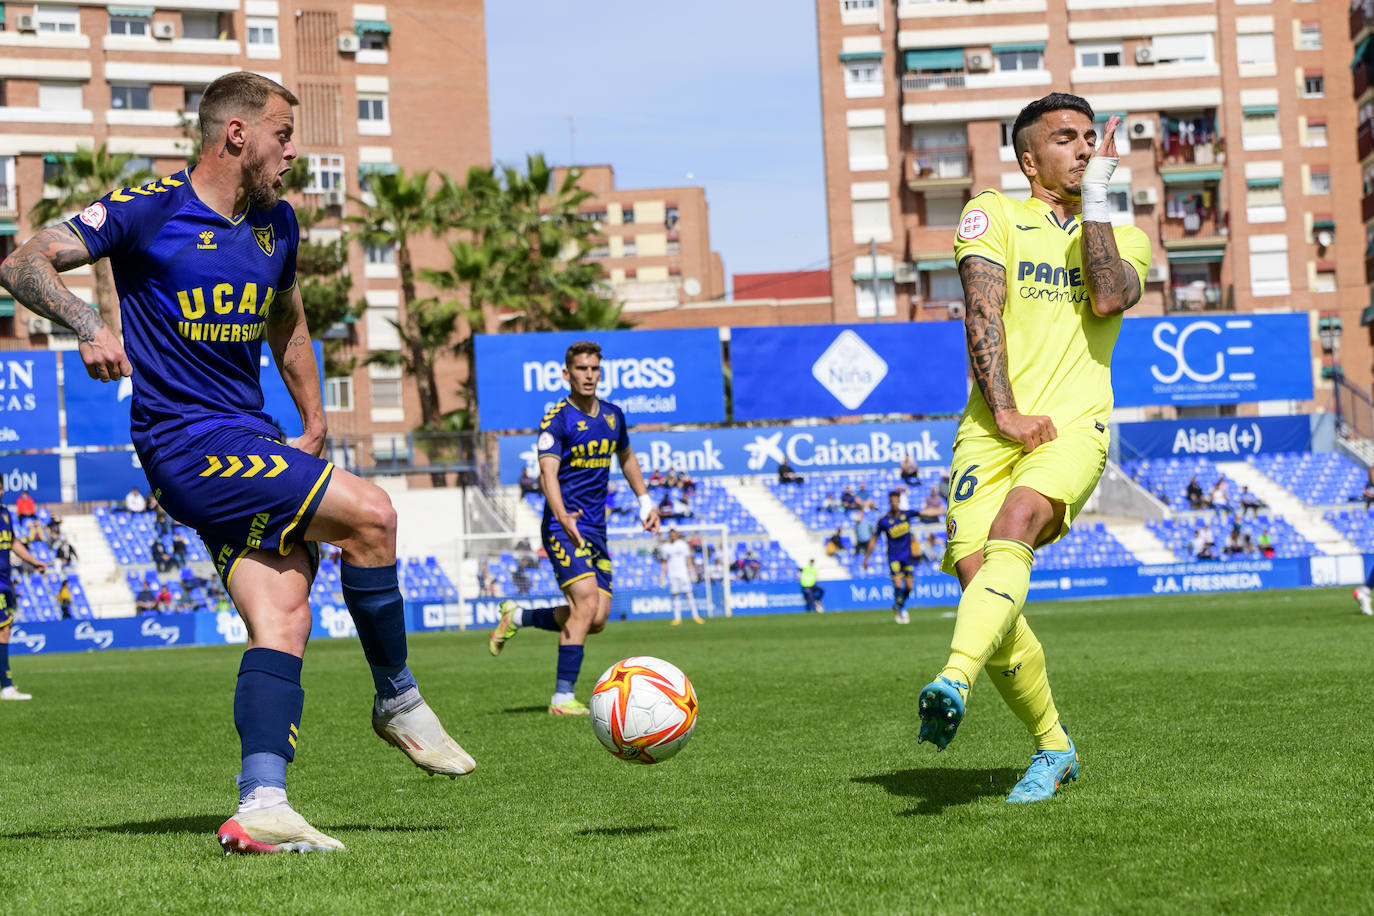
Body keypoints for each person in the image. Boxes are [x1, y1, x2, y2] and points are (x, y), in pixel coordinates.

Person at [0, 71, 473, 854]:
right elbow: (23, 263)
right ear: (237, 135)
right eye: (285, 135)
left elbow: (287, 322)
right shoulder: (148, 209)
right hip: (187, 445)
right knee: (374, 516)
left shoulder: (276, 225)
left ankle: (262, 804)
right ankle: (396, 696)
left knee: (283, 614)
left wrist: (315, 419)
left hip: (253, 437)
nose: (295, 152)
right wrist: (88, 322)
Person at [920, 95, 1150, 804]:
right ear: (1030, 160)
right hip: (990, 430)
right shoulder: (993, 214)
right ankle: (1055, 748)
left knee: (1014, 523)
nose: (1084, 149)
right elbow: (980, 312)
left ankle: (951, 678)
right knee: (980, 583)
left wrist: (1104, 195)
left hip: (1075, 426)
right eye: (1065, 140)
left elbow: (1109, 297)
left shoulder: (1120, 232)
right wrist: (1008, 411)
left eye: (1091, 139)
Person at [487, 341, 660, 715]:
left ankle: (516, 617)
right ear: (567, 374)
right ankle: (562, 697)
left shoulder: (613, 416)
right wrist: (562, 515)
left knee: (595, 619)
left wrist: (645, 500)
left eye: (594, 369)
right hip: (563, 527)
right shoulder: (557, 419)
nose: (589, 375)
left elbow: (626, 456)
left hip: (596, 530)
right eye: (582, 369)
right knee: (584, 602)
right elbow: (547, 472)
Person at [0, 485, 49, 700]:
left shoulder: (5, 513)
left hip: (4, 580)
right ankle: (6, 686)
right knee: (4, 630)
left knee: (5, 628)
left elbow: (12, 542)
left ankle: (6, 684)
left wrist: (33, 560)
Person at [861, 490, 921, 624]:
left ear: (899, 501)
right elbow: (873, 539)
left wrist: (944, 510)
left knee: (910, 587)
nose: (894, 502)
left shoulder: (907, 514)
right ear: (889, 502)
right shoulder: (884, 520)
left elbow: (925, 513)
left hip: (907, 556)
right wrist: (866, 558)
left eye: (896, 500)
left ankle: (898, 605)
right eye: (892, 500)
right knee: (898, 582)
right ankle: (901, 609)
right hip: (893, 556)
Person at [660, 529, 703, 626]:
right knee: (675, 595)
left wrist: (692, 572)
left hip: (683, 573)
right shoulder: (666, 547)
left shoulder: (682, 545)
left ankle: (696, 616)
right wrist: (662, 575)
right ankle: (677, 618)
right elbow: (664, 562)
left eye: (674, 533)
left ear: (677, 534)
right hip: (672, 574)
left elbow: (688, 559)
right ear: (669, 535)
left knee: (688, 593)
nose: (673, 535)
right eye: (671, 534)